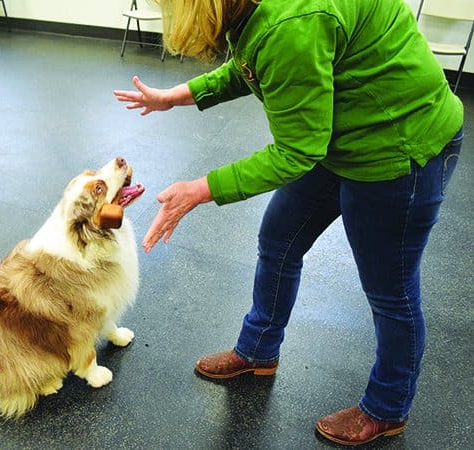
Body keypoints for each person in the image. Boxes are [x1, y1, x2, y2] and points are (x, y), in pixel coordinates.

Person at [113, 0, 464, 446]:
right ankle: (258, 350)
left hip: (399, 148)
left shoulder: (292, 22)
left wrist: (200, 189)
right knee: (279, 239)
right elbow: (254, 62)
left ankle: (388, 406)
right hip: (337, 131)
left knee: (390, 289)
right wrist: (177, 96)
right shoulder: (261, 14)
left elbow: (297, 151)